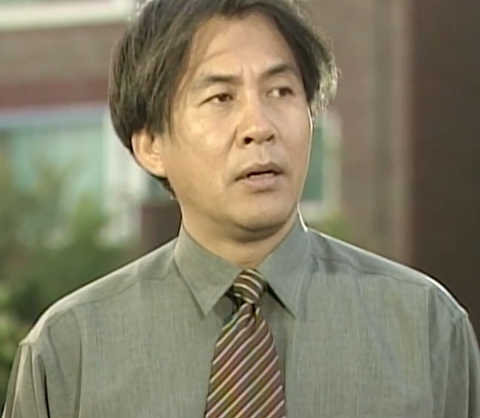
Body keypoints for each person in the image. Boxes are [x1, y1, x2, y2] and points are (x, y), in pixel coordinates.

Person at [3, 0, 480, 416]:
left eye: (281, 92)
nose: (259, 126)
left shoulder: (426, 327)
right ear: (150, 145)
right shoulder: (71, 350)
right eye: (221, 97)